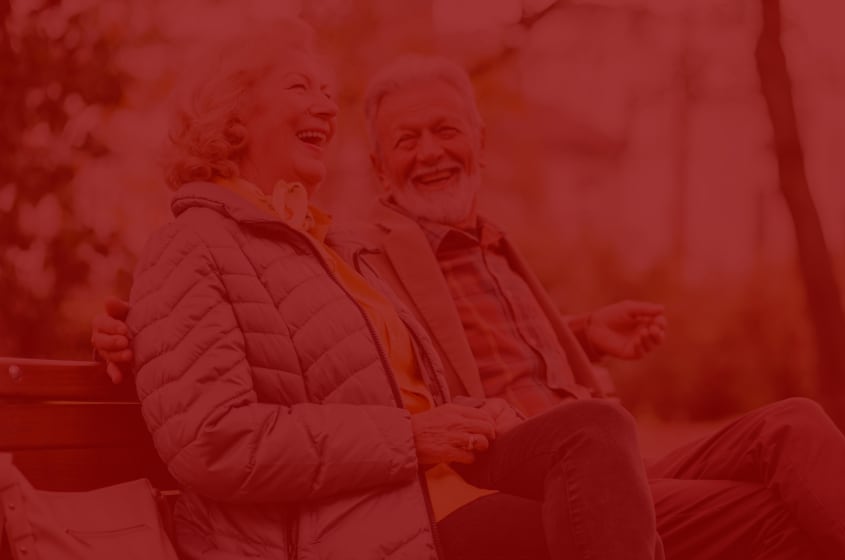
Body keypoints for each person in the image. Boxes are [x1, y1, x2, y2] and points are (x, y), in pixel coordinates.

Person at [95, 52, 845, 558]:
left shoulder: (317, 245)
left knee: (792, 425)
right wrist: (117, 326)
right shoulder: (356, 245)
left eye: (447, 131)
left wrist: (581, 338)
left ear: (481, 140)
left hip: (524, 465)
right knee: (780, 519)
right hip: (439, 487)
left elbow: (305, 346)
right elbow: (205, 389)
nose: (430, 152)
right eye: (300, 85)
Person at [123, 21, 662, 560]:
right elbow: (212, 438)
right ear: (234, 114)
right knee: (610, 519)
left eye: (328, 93)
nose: (328, 108)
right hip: (351, 526)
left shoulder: (329, 245)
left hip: (437, 489)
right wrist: (412, 437)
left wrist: (472, 412)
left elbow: (386, 388)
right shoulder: (190, 245)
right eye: (300, 88)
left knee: (596, 428)